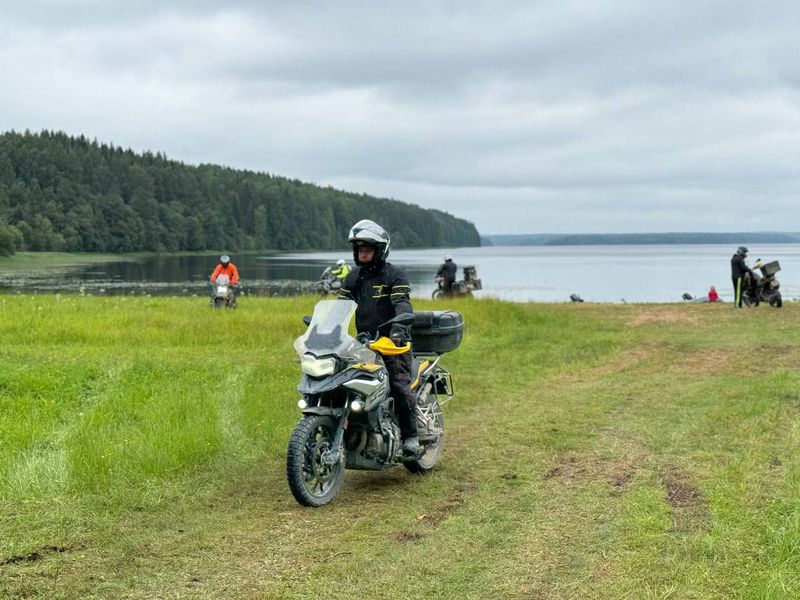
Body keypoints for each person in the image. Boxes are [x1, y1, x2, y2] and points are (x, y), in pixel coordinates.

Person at [338, 219, 419, 455]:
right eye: (359, 250)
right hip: (364, 343)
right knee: (341, 381)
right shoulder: (353, 278)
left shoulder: (394, 275)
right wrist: (328, 329)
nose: (362, 254)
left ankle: (411, 436)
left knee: (398, 384)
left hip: (392, 343)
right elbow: (339, 307)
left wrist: (398, 330)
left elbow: (402, 304)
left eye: (367, 249)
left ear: (380, 250)